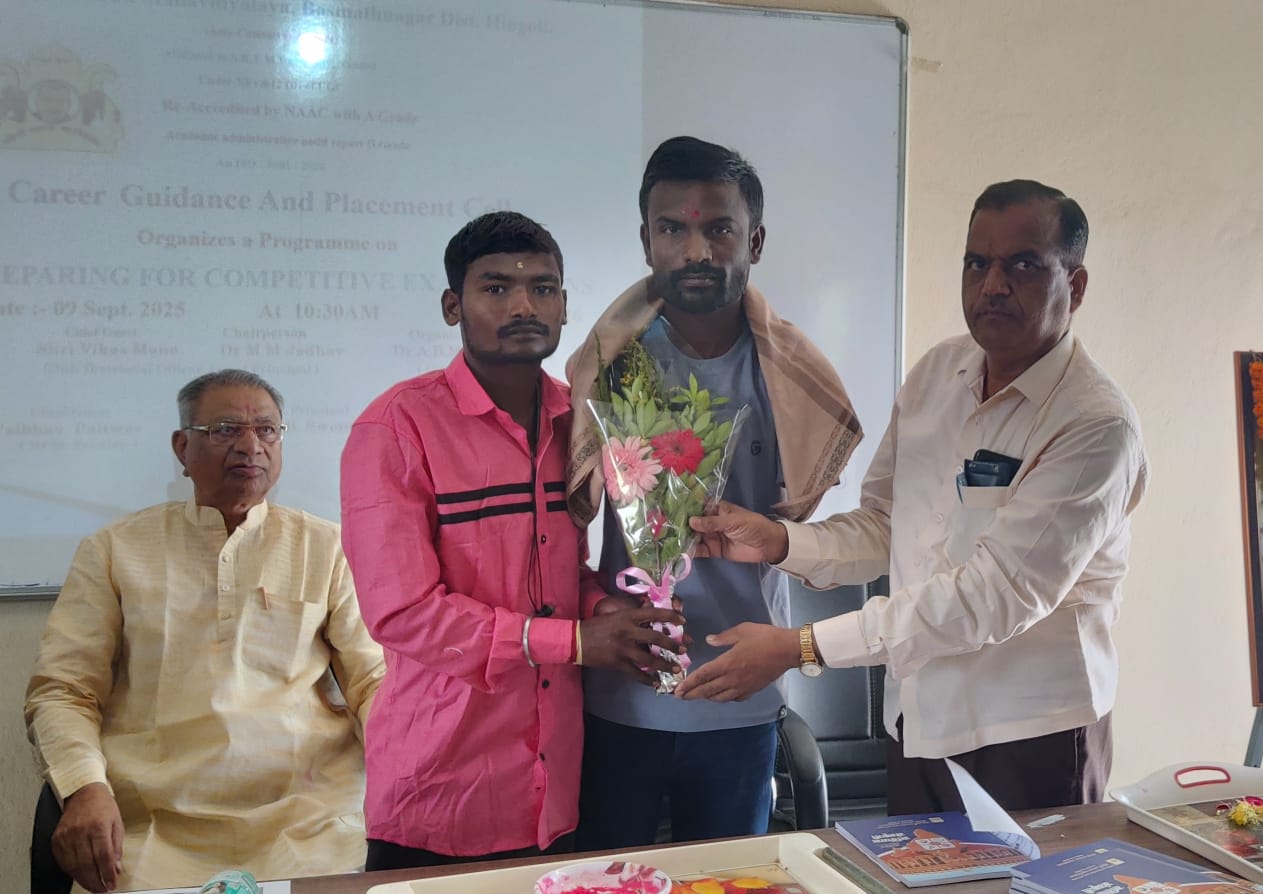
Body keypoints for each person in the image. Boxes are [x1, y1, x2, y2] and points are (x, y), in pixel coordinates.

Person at [681, 179, 1149, 813]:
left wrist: (802, 646)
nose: (993, 285)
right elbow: (885, 526)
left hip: (1029, 735)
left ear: (1078, 285)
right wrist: (782, 541)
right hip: (917, 722)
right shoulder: (937, 374)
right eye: (976, 263)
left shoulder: (1094, 424)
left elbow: (993, 597)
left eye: (1023, 265)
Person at [340, 211, 685, 870]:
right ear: (452, 306)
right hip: (441, 793)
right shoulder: (394, 428)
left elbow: (558, 573)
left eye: (543, 288)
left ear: (563, 307)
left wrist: (603, 609)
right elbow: (403, 612)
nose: (524, 304)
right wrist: (579, 642)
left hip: (560, 787)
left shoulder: (581, 421)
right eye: (496, 288)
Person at [564, 136, 863, 847]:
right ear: (646, 242)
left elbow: (805, 528)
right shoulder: (608, 366)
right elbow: (553, 529)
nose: (695, 249)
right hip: (620, 694)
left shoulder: (789, 378)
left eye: (717, 228)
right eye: (673, 228)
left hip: (740, 694)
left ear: (753, 241)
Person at [25, 369, 385, 894]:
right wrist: (84, 788)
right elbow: (63, 691)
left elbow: (374, 680)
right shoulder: (114, 549)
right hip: (152, 823)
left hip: (308, 821)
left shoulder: (327, 547)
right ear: (181, 446)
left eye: (267, 430)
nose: (250, 446)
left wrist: (403, 774)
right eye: (225, 430)